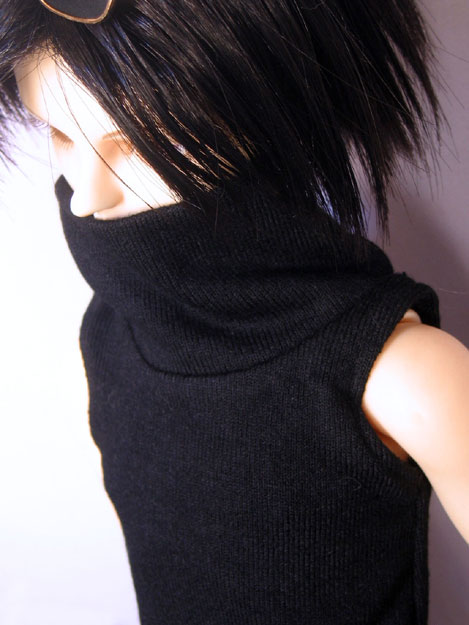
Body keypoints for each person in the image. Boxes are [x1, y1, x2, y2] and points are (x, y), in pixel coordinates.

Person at [1, 1, 468, 623]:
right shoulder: (110, 329)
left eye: (141, 144)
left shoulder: (401, 375)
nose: (85, 198)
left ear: (263, 117)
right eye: (58, 134)